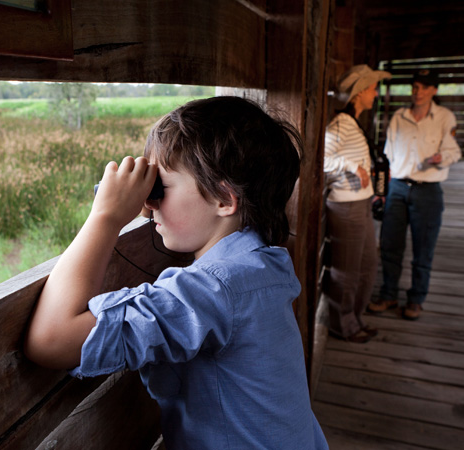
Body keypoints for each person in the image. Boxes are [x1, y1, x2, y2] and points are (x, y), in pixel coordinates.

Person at [24, 97, 328, 450]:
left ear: (224, 200)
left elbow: (49, 340)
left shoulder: (213, 288)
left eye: (159, 189)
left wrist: (105, 216)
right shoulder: (264, 264)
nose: (149, 204)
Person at [367, 69, 461, 320]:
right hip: (397, 187)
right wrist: (380, 192)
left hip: (428, 191)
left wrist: (442, 158)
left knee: (423, 249)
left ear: (434, 91)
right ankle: (388, 294)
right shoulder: (399, 116)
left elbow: (454, 152)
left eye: (424, 87)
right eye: (415, 87)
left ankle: (416, 299)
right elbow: (385, 159)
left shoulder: (444, 117)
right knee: (390, 245)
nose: (418, 92)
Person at [323, 64, 391, 342]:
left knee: (368, 265)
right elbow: (322, 159)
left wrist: (366, 172)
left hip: (360, 204)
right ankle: (342, 326)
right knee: (347, 271)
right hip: (346, 207)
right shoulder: (340, 125)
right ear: (360, 92)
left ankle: (356, 319)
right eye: (373, 88)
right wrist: (352, 165)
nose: (375, 93)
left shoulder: (352, 123)